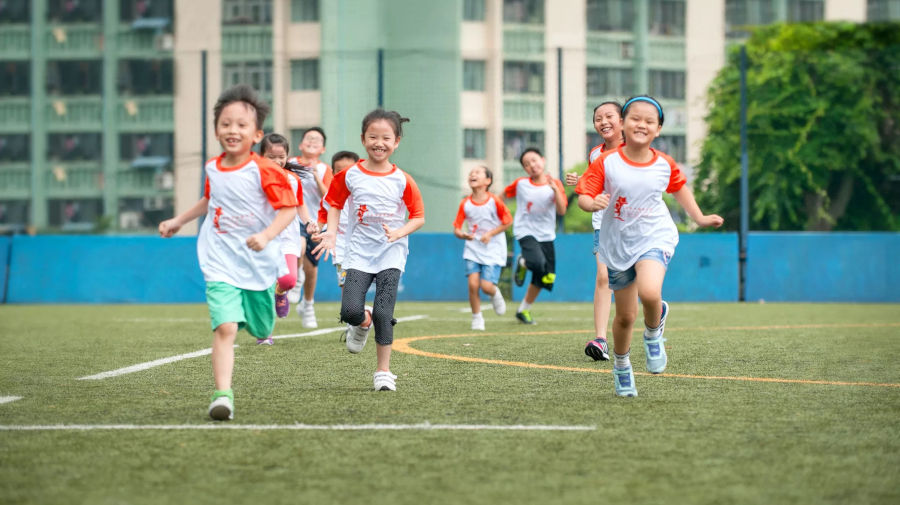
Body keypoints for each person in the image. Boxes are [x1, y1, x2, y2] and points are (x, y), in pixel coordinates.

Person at [158, 84, 298, 419]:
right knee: (226, 328)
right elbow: (211, 201)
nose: (232, 130)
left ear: (256, 134)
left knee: (262, 329)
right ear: (217, 129)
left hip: (259, 262)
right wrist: (178, 220)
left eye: (241, 125)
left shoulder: (265, 170)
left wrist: (266, 236)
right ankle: (223, 395)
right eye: (225, 124)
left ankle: (266, 311)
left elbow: (289, 209)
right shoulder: (212, 167)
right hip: (219, 258)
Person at [575, 95, 724, 397]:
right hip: (617, 244)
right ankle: (621, 365)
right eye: (635, 118)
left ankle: (654, 334)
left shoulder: (663, 164)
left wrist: (699, 217)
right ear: (623, 125)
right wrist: (593, 203)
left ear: (658, 130)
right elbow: (583, 195)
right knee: (626, 316)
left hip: (654, 235)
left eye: (649, 121)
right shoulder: (606, 162)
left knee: (650, 292)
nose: (641, 124)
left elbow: (679, 188)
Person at [312, 109, 425, 392]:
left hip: (391, 253)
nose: (379, 142)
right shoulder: (350, 175)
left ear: (396, 141)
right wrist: (332, 234)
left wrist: (399, 232)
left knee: (384, 313)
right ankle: (361, 323)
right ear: (363, 139)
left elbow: (418, 216)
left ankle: (383, 372)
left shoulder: (403, 180)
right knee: (350, 310)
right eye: (373, 136)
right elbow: (334, 204)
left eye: (386, 137)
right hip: (359, 254)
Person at [565, 101, 623, 361]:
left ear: (623, 120)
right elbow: (594, 180)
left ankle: (655, 320)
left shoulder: (635, 150)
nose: (603, 122)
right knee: (603, 277)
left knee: (637, 286)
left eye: (609, 116)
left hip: (634, 224)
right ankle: (601, 339)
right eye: (598, 118)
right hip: (604, 223)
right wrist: (582, 183)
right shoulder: (595, 154)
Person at [257, 133, 316, 341]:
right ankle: (265, 333)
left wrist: (309, 223)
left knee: (289, 280)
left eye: (281, 157)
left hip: (287, 239)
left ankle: (280, 294)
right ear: (261, 156)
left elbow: (300, 204)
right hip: (263, 238)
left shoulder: (292, 179)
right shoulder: (255, 177)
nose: (276, 162)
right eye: (271, 157)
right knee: (263, 286)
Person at [504, 147, 567, 325]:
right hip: (525, 231)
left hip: (546, 235)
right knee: (537, 263)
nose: (532, 165)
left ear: (543, 160)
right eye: (526, 164)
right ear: (525, 169)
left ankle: (523, 309)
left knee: (546, 277)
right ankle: (523, 261)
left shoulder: (554, 183)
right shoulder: (521, 184)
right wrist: (502, 215)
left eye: (534, 160)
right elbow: (502, 196)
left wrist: (555, 190)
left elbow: (561, 210)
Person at [453, 165, 512, 330]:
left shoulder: (495, 201)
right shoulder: (465, 203)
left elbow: (508, 221)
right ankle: (477, 318)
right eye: (471, 173)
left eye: (477, 172)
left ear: (488, 180)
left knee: (486, 286)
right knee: (472, 284)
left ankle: (495, 293)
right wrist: (462, 234)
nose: (473, 174)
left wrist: (490, 234)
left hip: (493, 249)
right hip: (473, 248)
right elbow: (457, 228)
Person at [285, 127, 332, 328]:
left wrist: (315, 177)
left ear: (322, 148)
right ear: (301, 144)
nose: (312, 141)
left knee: (312, 266)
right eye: (309, 138)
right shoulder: (291, 164)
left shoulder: (324, 169)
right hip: (292, 218)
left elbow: (328, 197)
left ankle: (308, 305)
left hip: (316, 221)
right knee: (299, 246)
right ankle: (295, 279)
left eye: (317, 140)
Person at [316, 151, 360, 289]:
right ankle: (350, 310)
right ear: (333, 173)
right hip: (341, 248)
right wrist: (316, 230)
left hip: (364, 245)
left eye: (349, 170)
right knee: (346, 284)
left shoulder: (365, 193)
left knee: (361, 284)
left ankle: (363, 309)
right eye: (340, 171)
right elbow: (323, 215)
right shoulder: (330, 196)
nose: (345, 174)